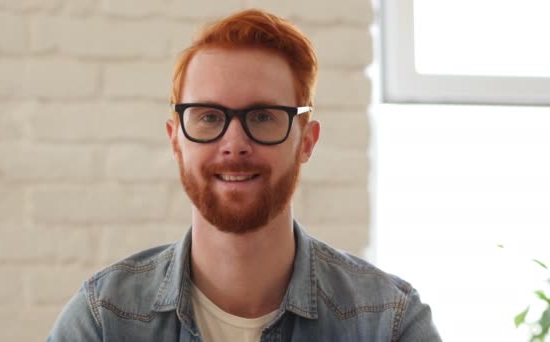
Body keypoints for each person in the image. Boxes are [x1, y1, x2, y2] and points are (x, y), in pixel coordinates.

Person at [48, 9, 441, 341]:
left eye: (263, 117)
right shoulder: (105, 320)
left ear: (306, 141)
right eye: (209, 117)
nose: (234, 143)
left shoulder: (388, 323)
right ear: (175, 140)